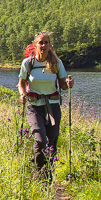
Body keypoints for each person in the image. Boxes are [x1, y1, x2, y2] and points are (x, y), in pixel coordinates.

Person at [17, 31, 74, 177]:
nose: (43, 45)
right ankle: (38, 171)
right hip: (34, 107)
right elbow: (21, 83)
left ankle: (48, 173)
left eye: (46, 42)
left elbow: (63, 85)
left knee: (53, 140)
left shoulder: (56, 63)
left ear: (50, 45)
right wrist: (22, 94)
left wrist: (68, 84)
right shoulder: (28, 63)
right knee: (40, 139)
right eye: (40, 43)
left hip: (53, 106)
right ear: (35, 45)